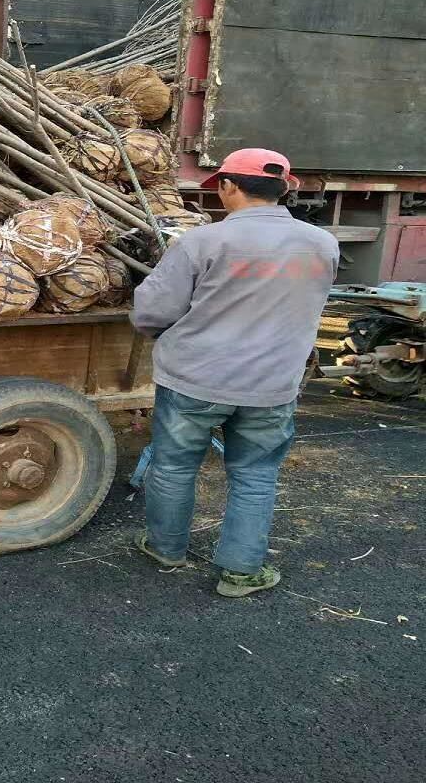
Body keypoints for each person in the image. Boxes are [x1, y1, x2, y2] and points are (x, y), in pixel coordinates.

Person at [129, 149, 339, 597]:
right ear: (285, 188)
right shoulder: (323, 244)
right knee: (256, 473)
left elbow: (152, 312)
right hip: (272, 384)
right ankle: (242, 571)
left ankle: (165, 548)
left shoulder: (201, 242)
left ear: (228, 186)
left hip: (195, 379)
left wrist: (161, 333)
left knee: (173, 465)